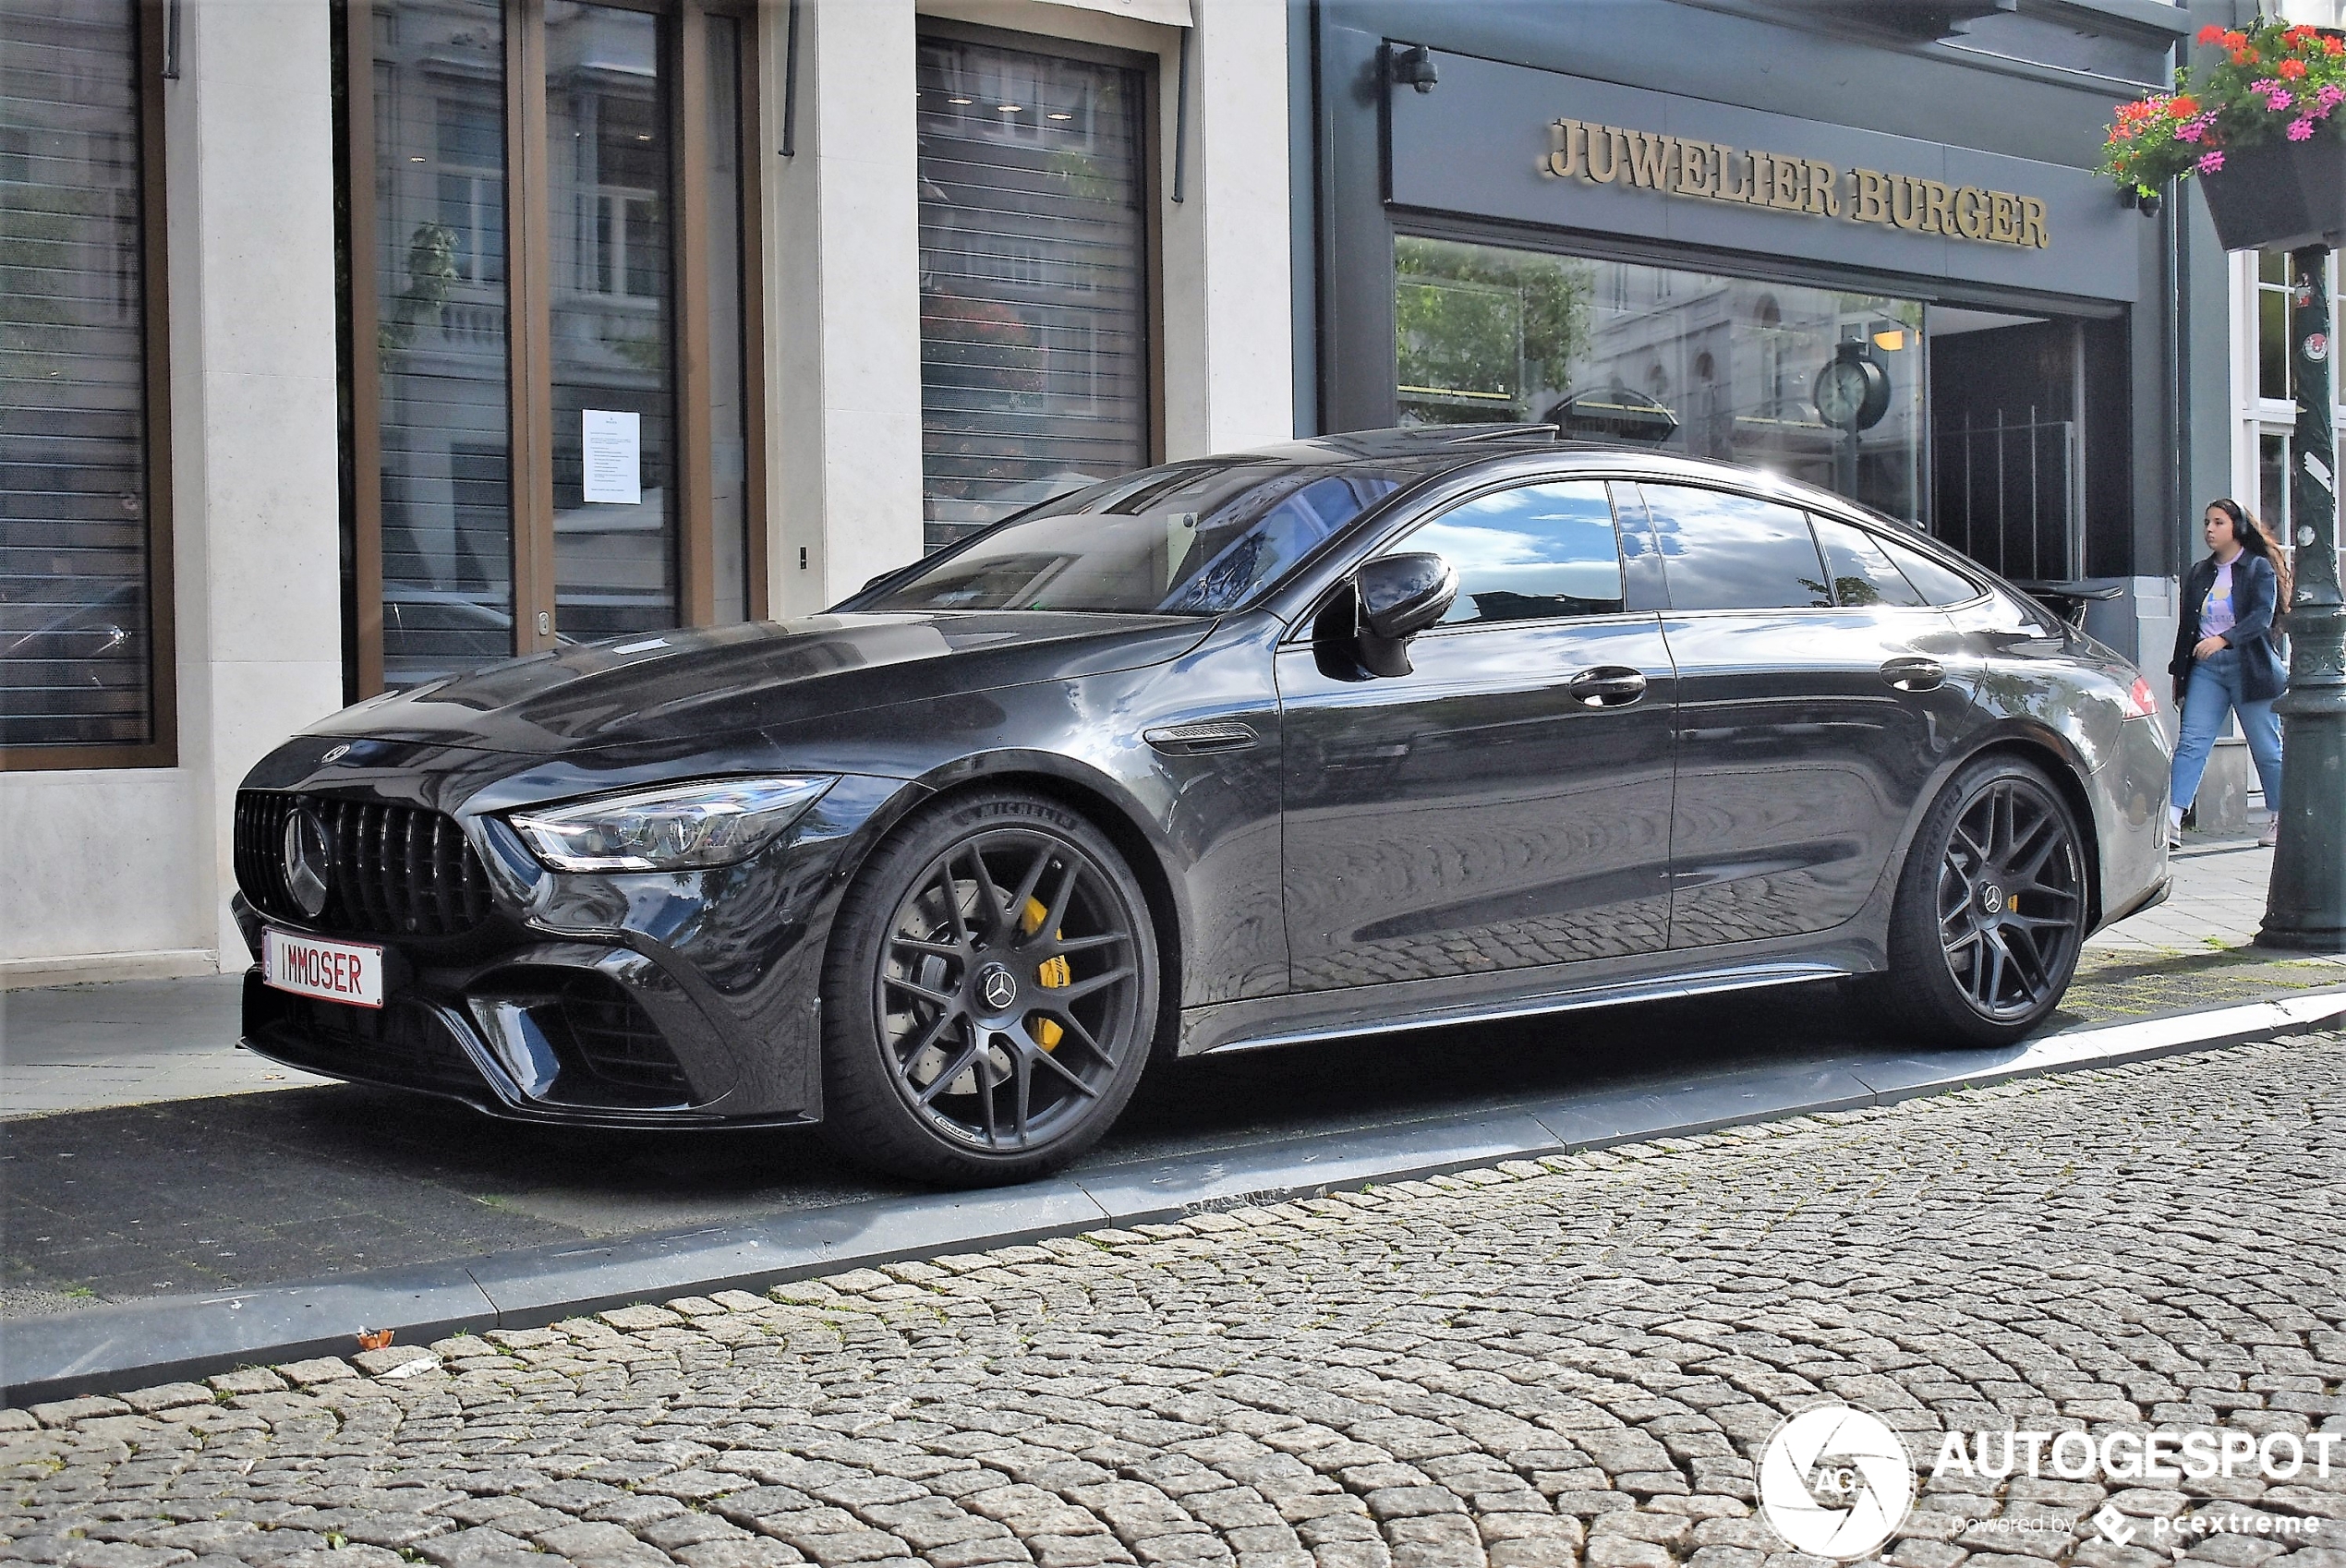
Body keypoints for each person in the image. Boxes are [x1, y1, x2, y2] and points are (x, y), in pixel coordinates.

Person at [2167, 498, 2292, 850]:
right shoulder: (2199, 572)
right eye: (2207, 522)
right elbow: (2187, 626)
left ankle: (2279, 816)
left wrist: (2224, 639)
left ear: (2235, 527)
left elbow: (2261, 618)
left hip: (2250, 668)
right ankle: (2173, 819)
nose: (2209, 529)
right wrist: (2180, 673)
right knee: (2192, 742)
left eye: (2218, 522)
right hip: (2207, 671)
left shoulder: (2257, 568)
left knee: (2266, 747)